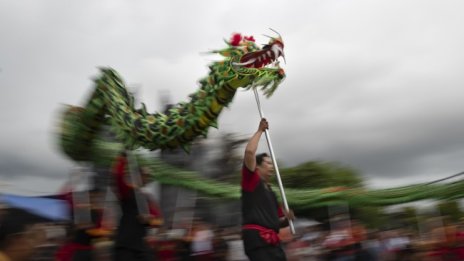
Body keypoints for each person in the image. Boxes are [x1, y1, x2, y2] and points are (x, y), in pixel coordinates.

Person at [241, 118, 293, 261]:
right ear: (257, 167)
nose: (271, 166)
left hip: (273, 242)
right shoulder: (251, 181)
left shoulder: (271, 192)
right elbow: (249, 153)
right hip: (257, 240)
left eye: (272, 163)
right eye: (268, 163)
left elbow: (277, 221)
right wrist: (260, 131)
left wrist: (287, 219)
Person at [112, 152, 163, 261]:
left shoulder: (148, 198)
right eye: (144, 174)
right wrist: (122, 158)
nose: (146, 178)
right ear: (137, 175)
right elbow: (118, 176)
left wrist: (149, 218)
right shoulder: (128, 190)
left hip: (141, 244)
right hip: (126, 242)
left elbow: (158, 220)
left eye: (148, 176)